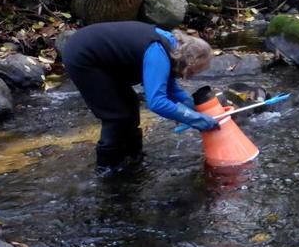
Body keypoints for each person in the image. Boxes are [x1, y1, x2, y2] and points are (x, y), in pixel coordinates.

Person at [63, 21, 219, 173]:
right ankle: (107, 169)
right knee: (116, 115)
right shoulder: (158, 53)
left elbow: (171, 88)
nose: (189, 77)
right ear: (188, 62)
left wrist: (192, 107)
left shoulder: (172, 47)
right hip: (84, 56)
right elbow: (157, 102)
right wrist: (194, 119)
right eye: (192, 72)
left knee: (130, 105)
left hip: (102, 58)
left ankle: (133, 158)